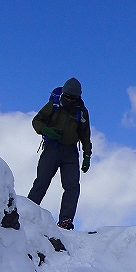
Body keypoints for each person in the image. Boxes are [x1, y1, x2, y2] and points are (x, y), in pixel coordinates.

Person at [27, 77, 92, 230]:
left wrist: (87, 155)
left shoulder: (81, 112)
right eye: (68, 96)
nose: (70, 99)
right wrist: (46, 130)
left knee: (72, 187)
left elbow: (85, 135)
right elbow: (37, 121)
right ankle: (26, 213)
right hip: (52, 148)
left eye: (73, 97)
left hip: (70, 152)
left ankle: (65, 221)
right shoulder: (54, 105)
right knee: (42, 181)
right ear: (63, 93)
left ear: (78, 96)